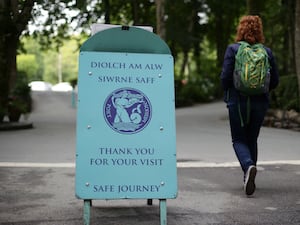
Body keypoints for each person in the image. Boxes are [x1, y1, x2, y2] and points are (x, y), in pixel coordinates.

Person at [220, 15, 279, 196]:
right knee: (251, 139)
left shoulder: (233, 49)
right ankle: (250, 171)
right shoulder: (267, 52)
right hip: (259, 102)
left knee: (238, 139)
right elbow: (275, 81)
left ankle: (248, 167)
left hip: (237, 101)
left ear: (241, 30)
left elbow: (225, 77)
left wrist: (227, 93)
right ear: (259, 31)